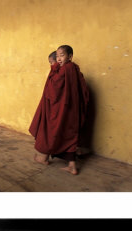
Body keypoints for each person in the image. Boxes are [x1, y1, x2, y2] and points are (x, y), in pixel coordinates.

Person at [29, 45, 89, 175]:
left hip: (62, 109)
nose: (59, 59)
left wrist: (54, 67)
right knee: (70, 135)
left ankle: (44, 158)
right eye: (57, 56)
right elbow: (83, 89)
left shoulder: (64, 70)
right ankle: (72, 166)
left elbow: (53, 90)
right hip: (73, 110)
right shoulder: (74, 68)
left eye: (62, 55)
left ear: (70, 57)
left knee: (53, 131)